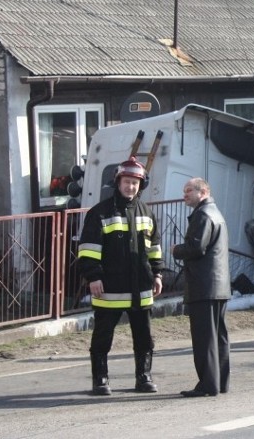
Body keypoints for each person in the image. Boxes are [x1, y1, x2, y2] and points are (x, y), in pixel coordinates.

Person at [77, 157, 164, 396]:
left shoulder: (147, 213)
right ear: (118, 182)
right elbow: (88, 249)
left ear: (140, 185)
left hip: (141, 287)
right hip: (109, 288)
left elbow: (154, 248)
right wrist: (93, 277)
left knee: (144, 338)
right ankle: (100, 380)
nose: (131, 187)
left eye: (135, 183)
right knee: (103, 337)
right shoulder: (100, 213)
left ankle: (144, 378)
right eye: (127, 182)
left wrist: (157, 274)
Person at [172, 178, 231, 397]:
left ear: (203, 191)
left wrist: (176, 250)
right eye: (184, 190)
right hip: (219, 285)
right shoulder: (215, 212)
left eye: (189, 190)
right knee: (219, 336)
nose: (185, 194)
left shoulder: (203, 214)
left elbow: (196, 248)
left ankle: (208, 385)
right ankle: (220, 382)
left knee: (205, 337)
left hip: (205, 285)